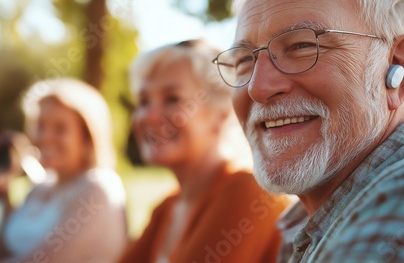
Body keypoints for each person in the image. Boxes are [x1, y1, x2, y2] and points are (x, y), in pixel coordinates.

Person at [212, 0, 404, 262]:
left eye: (303, 45)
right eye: (242, 60)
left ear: (397, 67)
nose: (258, 88)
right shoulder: (318, 222)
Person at [119, 40, 289, 263]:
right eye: (143, 101)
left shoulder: (249, 194)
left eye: (172, 99)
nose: (149, 116)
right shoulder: (167, 207)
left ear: (222, 113)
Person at [0, 78, 127, 262]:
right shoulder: (41, 187)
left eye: (60, 128)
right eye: (40, 126)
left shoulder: (99, 188)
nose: (45, 137)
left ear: (87, 136)